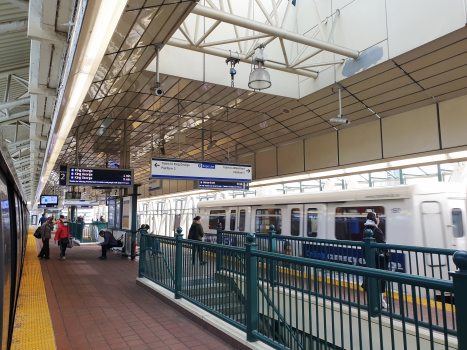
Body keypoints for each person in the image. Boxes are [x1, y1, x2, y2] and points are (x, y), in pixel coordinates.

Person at [362, 212, 389, 308]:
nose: (379, 220)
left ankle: (378, 301)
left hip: (371, 259)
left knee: (373, 280)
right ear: (375, 220)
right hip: (378, 260)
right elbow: (383, 245)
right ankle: (379, 302)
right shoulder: (376, 230)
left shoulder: (366, 229)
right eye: (378, 219)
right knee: (380, 280)